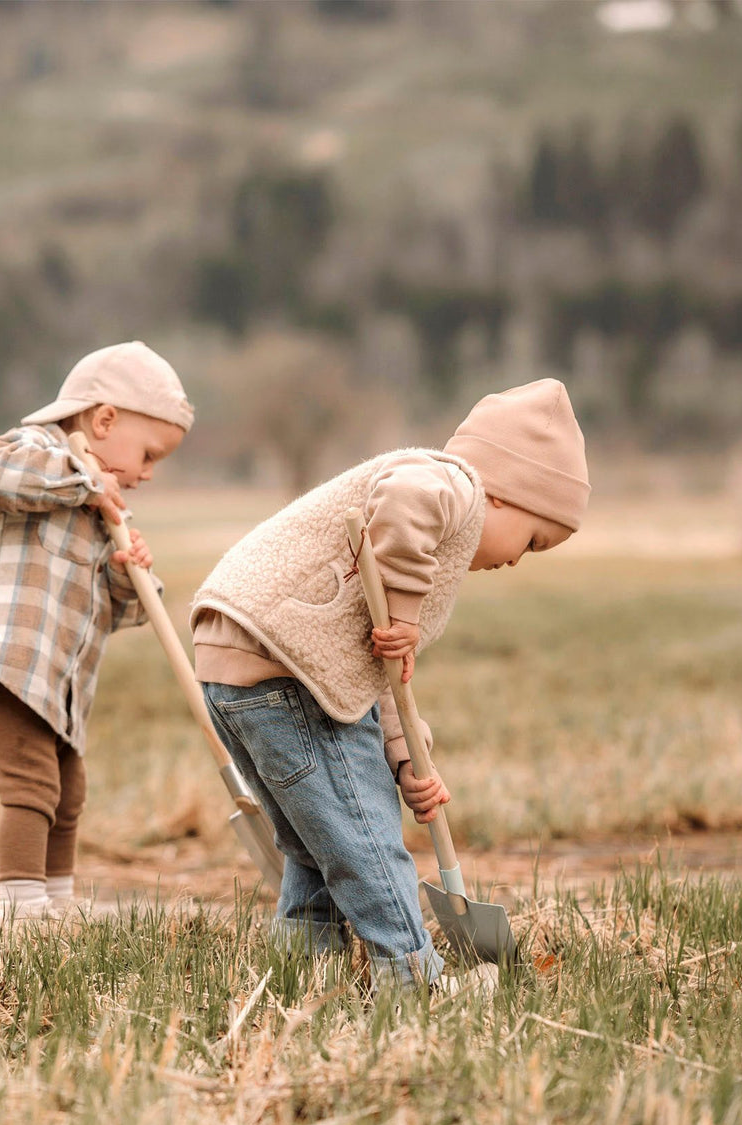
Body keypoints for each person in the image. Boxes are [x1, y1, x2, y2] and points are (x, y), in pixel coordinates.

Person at [191, 378, 589, 991]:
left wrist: (406, 760)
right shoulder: (453, 484)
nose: (516, 560)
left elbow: (380, 674)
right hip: (284, 669)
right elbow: (408, 497)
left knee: (317, 844)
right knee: (368, 840)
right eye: (533, 541)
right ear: (504, 495)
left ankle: (304, 967)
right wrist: (404, 609)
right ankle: (413, 979)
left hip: (238, 667)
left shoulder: (428, 543)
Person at [0, 341, 193, 920]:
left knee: (68, 792)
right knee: (31, 787)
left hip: (61, 685)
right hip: (11, 666)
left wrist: (128, 574)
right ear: (104, 420)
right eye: (148, 453)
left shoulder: (100, 511)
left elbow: (124, 615)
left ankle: (56, 902)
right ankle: (20, 908)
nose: (147, 473)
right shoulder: (32, 452)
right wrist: (86, 483)